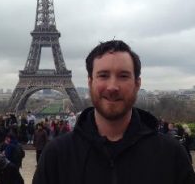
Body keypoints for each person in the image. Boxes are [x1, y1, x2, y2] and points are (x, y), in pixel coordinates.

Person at [32, 40, 195, 184]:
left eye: (123, 76)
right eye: (103, 75)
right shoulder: (55, 155)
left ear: (137, 84)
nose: (112, 87)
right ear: (90, 82)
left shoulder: (172, 155)